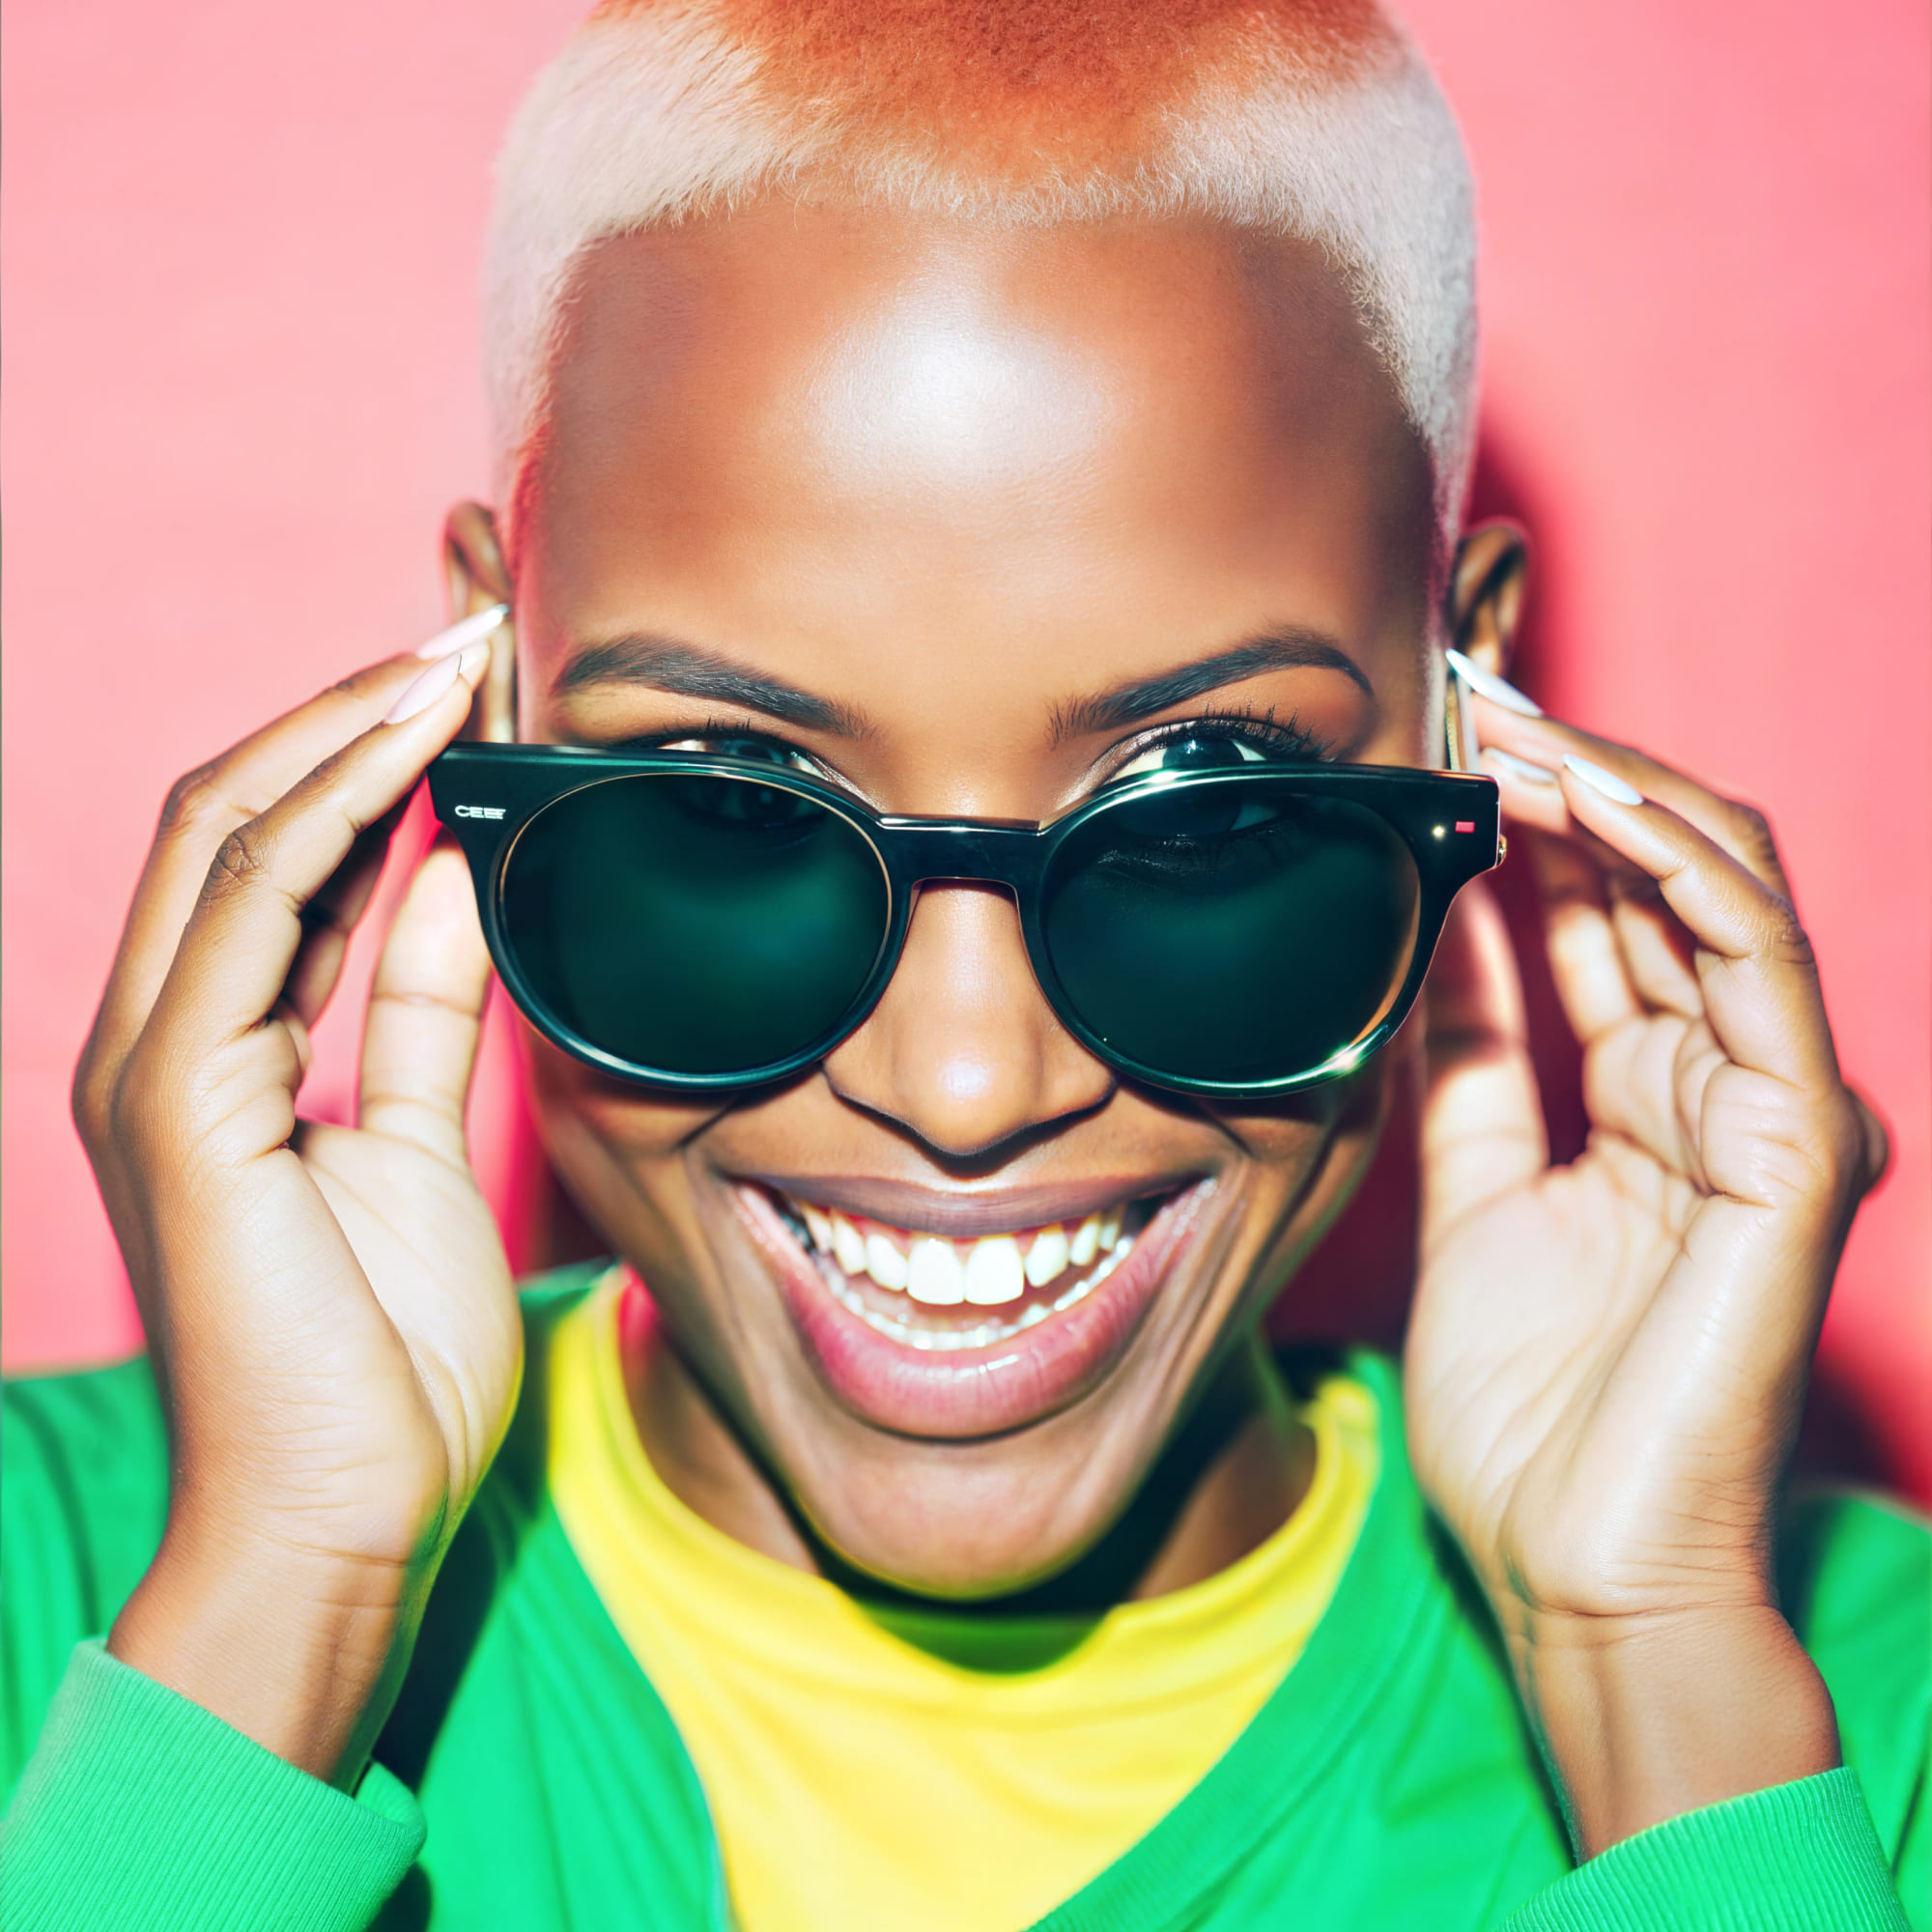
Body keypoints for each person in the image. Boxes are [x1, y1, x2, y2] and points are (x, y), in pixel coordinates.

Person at [2, 2, 1924, 1926]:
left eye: (1203, 810)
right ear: (487, 682)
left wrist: (1648, 1674)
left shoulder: (1836, 1729)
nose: (966, 1081)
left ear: (1468, 709)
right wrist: (275, 1610)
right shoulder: (62, 1598)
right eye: (733, 802)